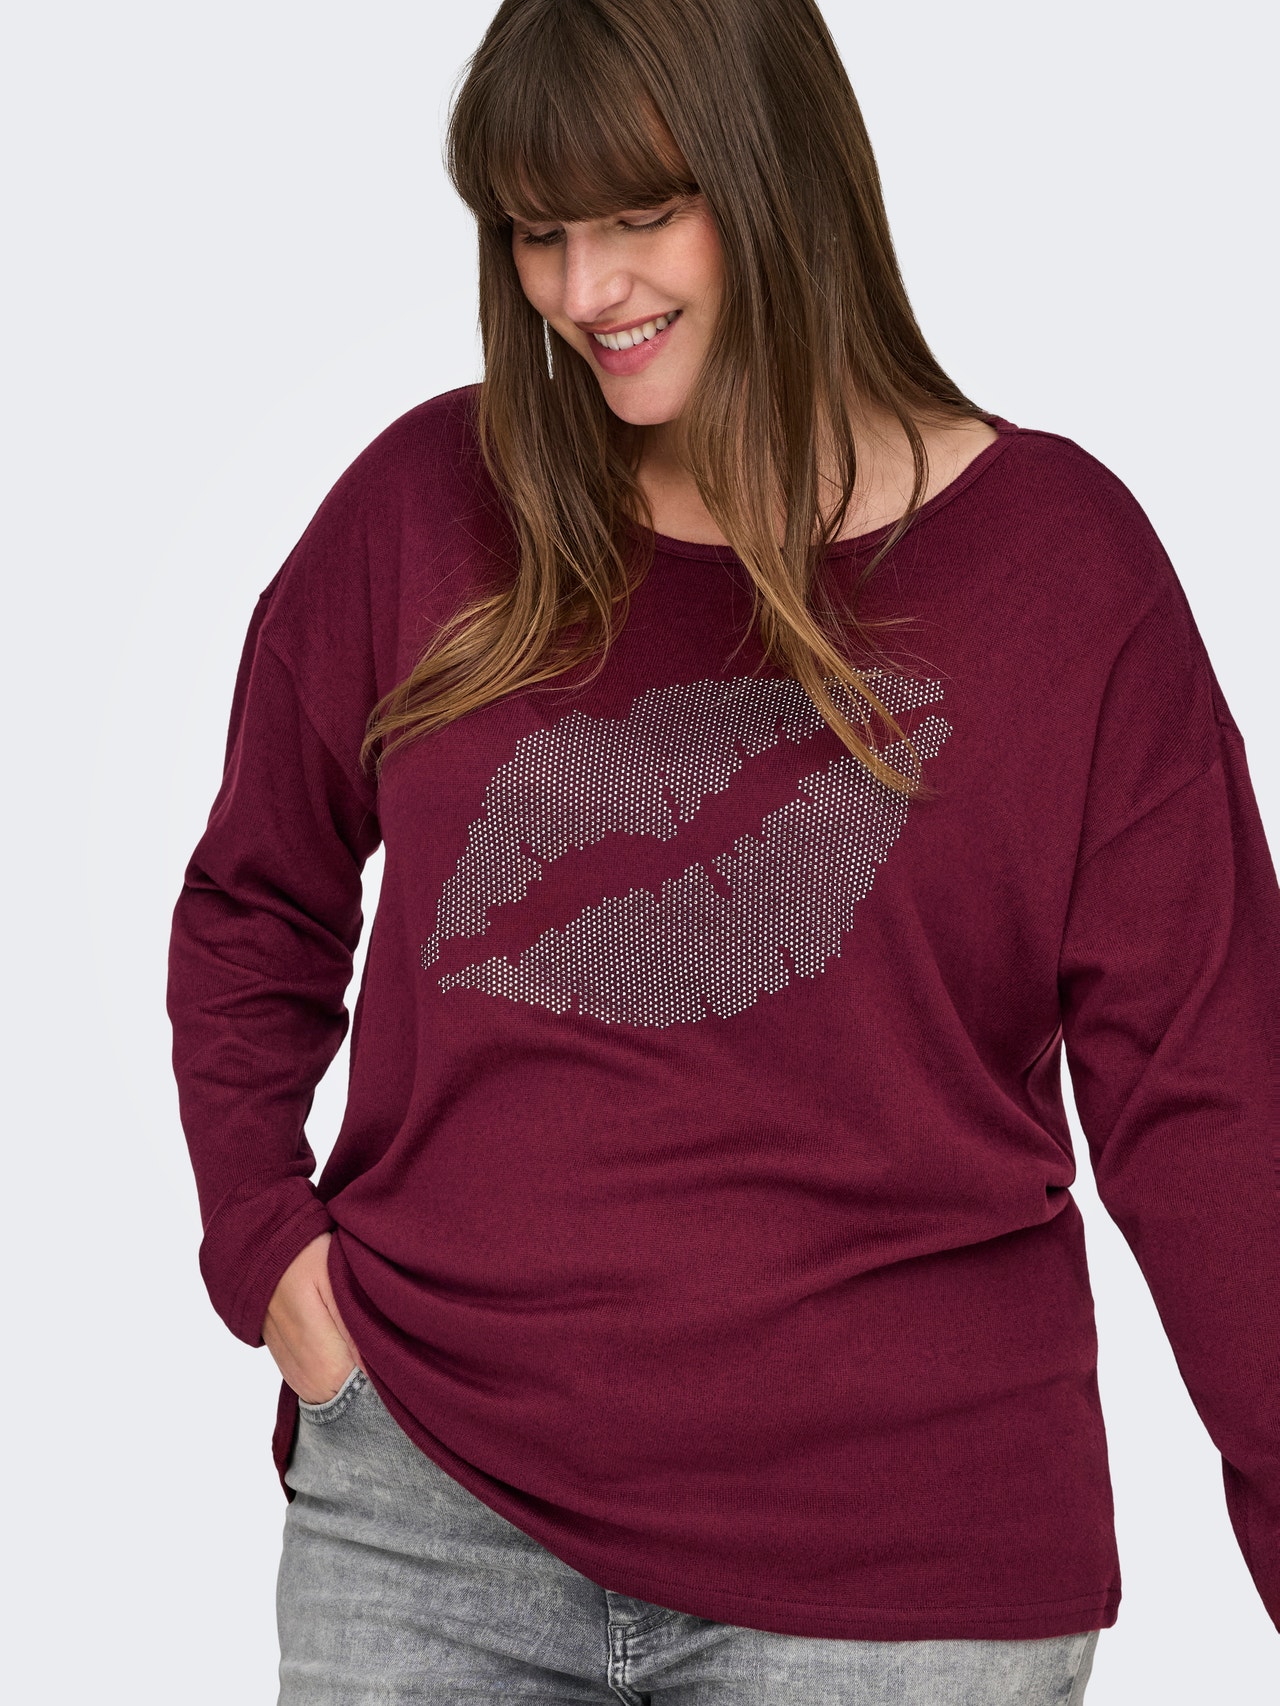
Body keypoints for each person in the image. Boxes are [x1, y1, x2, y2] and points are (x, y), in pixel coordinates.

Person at [166, 0, 1280, 1699]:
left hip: (898, 1580)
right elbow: (255, 900)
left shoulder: (1065, 573)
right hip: (426, 1523)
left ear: (779, 175)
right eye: (538, 231)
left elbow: (1214, 1108)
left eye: (641, 214)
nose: (585, 289)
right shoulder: (424, 504)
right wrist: (268, 1251)